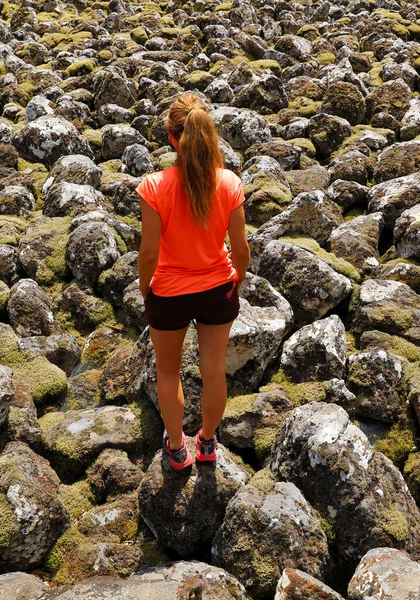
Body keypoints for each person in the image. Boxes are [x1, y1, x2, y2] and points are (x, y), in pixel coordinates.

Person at [136, 93, 250, 471]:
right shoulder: (229, 183)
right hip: (218, 290)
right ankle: (207, 442)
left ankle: (176, 449)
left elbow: (149, 254)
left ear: (171, 137)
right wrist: (238, 278)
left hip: (168, 293)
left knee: (167, 372)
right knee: (213, 371)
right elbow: (241, 248)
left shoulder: (153, 187)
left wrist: (144, 286)